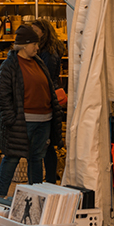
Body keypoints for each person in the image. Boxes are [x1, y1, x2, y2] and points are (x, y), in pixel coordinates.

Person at [0, 24, 63, 200]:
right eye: (34, 44)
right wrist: (11, 118)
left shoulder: (39, 62)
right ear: (24, 45)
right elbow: (2, 95)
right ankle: (0, 196)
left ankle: (36, 195)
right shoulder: (10, 66)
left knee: (37, 158)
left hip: (44, 120)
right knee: (12, 157)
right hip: (21, 121)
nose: (38, 47)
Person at [30, 19, 67, 183]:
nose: (33, 33)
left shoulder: (49, 53)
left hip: (48, 99)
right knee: (47, 142)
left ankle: (49, 179)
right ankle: (48, 178)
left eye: (35, 31)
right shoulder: (45, 50)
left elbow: (47, 77)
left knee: (47, 142)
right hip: (46, 97)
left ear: (43, 32)